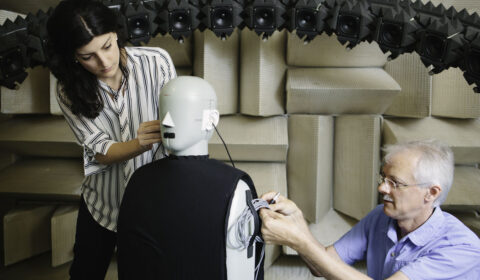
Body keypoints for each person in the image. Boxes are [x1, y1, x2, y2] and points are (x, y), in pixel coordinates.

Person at [46, 0, 176, 279]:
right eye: (87, 56)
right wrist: (139, 142)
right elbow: (100, 152)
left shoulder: (158, 62)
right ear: (72, 57)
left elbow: (176, 131)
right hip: (102, 205)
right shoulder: (68, 90)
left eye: (106, 46)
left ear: (116, 32)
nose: (103, 62)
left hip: (151, 207)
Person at [260, 140, 480, 279]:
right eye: (384, 178)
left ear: (431, 193)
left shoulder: (462, 249)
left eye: (395, 183)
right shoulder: (381, 217)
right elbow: (321, 265)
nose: (382, 188)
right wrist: (298, 221)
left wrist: (298, 241)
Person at [116, 76, 264, 280]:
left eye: (178, 112)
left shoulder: (138, 180)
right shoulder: (235, 186)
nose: (166, 121)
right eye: (164, 113)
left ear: (210, 119)